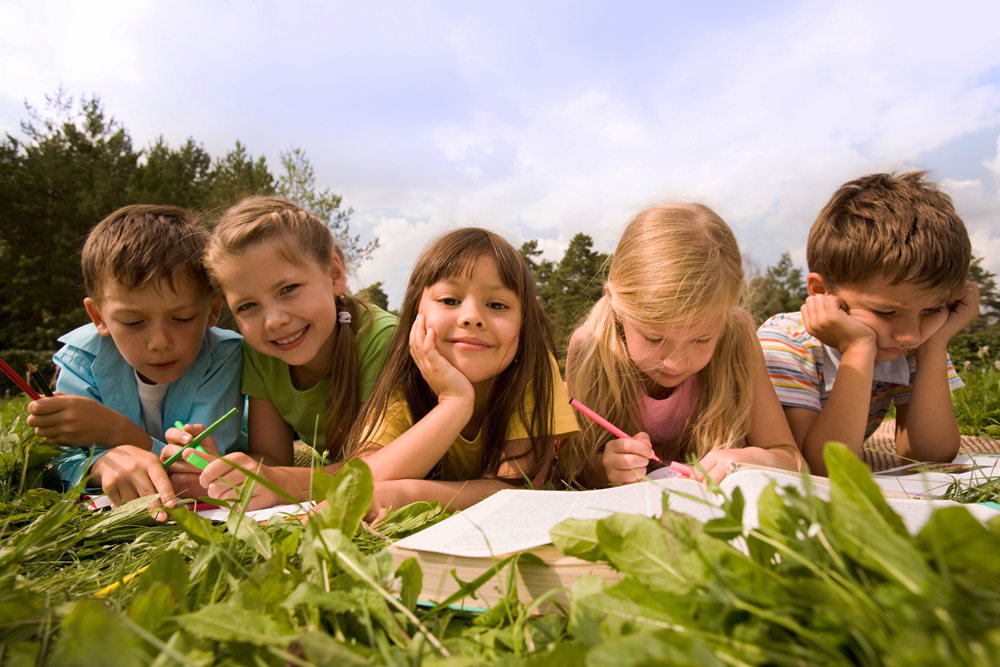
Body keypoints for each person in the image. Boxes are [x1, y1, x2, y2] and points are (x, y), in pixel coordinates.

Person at [162, 196, 396, 506]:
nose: (274, 321)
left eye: (288, 289)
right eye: (248, 306)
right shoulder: (261, 353)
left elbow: (379, 469)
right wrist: (221, 470)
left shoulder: (382, 339)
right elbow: (272, 458)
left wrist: (279, 482)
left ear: (334, 274)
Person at [559, 203, 802, 487]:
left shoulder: (738, 339)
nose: (674, 363)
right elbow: (570, 464)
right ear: (616, 304)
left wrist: (754, 458)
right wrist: (603, 468)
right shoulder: (590, 347)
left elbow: (792, 459)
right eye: (654, 338)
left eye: (701, 340)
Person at [343, 227, 579, 517]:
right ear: (416, 313)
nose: (472, 318)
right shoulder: (407, 379)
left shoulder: (534, 370)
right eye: (449, 300)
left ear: (523, 325)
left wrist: (409, 494)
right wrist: (455, 402)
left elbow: (518, 488)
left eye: (496, 305)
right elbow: (360, 482)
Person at [26, 205, 245, 516]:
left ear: (212, 311)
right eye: (132, 322)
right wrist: (101, 465)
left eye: (181, 318)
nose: (159, 343)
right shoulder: (81, 358)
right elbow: (58, 460)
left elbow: (198, 466)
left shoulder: (225, 356)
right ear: (98, 317)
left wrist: (117, 433)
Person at [758, 172, 977, 475]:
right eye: (885, 313)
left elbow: (930, 456)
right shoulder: (785, 343)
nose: (910, 334)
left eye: (932, 310)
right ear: (822, 292)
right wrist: (858, 349)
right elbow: (817, 468)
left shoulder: (914, 341)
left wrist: (934, 346)